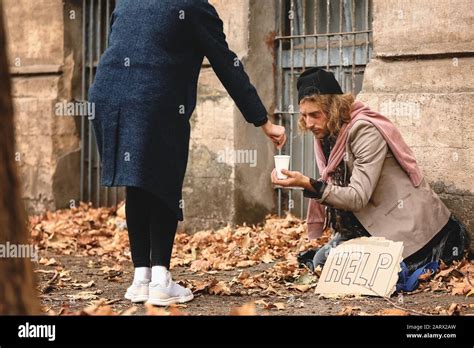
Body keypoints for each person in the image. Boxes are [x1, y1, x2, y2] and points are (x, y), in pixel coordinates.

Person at [89, 0, 286, 306]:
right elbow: (227, 64)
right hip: (153, 99)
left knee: (138, 181)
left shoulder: (128, 3)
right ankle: (161, 280)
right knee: (163, 183)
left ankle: (142, 278)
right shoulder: (194, 7)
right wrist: (262, 120)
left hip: (106, 95)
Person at [272, 67, 469, 273]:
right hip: (366, 223)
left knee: (333, 263)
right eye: (304, 116)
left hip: (410, 229)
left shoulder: (364, 130)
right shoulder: (327, 134)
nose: (309, 123)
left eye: (315, 115)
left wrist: (308, 184)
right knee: (323, 261)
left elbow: (357, 197)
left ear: (334, 108)